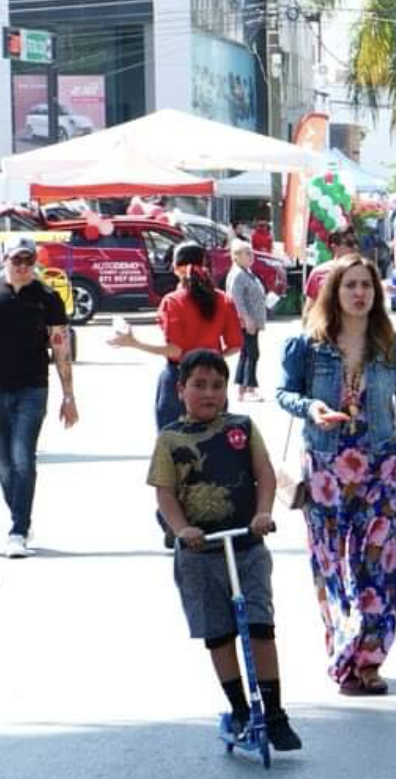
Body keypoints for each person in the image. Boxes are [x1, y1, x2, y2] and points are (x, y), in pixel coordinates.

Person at [276, 255, 396, 695]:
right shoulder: (307, 344)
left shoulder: (394, 344)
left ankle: (369, 660)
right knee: (332, 566)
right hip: (326, 467)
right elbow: (283, 393)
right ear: (335, 291)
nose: (359, 293)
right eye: (350, 285)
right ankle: (343, 650)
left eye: (366, 285)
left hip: (382, 466)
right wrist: (311, 407)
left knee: (381, 566)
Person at [149, 349, 301, 752]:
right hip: (200, 553)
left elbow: (264, 473)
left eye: (217, 385)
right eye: (199, 385)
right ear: (181, 389)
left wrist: (264, 512)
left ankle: (274, 712)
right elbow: (165, 494)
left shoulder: (242, 428)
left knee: (259, 626)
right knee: (218, 633)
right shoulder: (170, 439)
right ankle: (238, 708)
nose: (209, 393)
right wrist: (182, 529)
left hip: (246, 545)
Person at [0, 238, 77, 558]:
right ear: (5, 259)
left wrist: (69, 396)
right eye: (17, 260)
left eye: (29, 260)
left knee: (24, 459)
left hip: (32, 389)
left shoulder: (47, 297)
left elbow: (61, 347)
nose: (23, 267)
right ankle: (20, 514)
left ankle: (18, 529)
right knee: (3, 464)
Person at [111, 241, 242, 430]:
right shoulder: (224, 300)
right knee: (214, 443)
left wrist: (134, 342)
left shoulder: (172, 301)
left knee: (173, 446)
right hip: (214, 378)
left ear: (175, 268)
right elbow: (235, 345)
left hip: (179, 379)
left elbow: (175, 350)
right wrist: (212, 356)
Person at [225, 238, 270, 403]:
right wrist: (247, 319)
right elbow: (237, 300)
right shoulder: (237, 274)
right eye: (247, 253)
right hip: (246, 321)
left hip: (252, 320)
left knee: (246, 353)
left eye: (251, 252)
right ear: (236, 256)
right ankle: (250, 388)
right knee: (252, 353)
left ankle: (241, 389)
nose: (251, 256)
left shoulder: (246, 271)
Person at [304, 227, 360, 301]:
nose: (355, 247)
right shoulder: (318, 272)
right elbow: (310, 307)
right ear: (334, 247)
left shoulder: (364, 272)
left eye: (356, 242)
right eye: (350, 243)